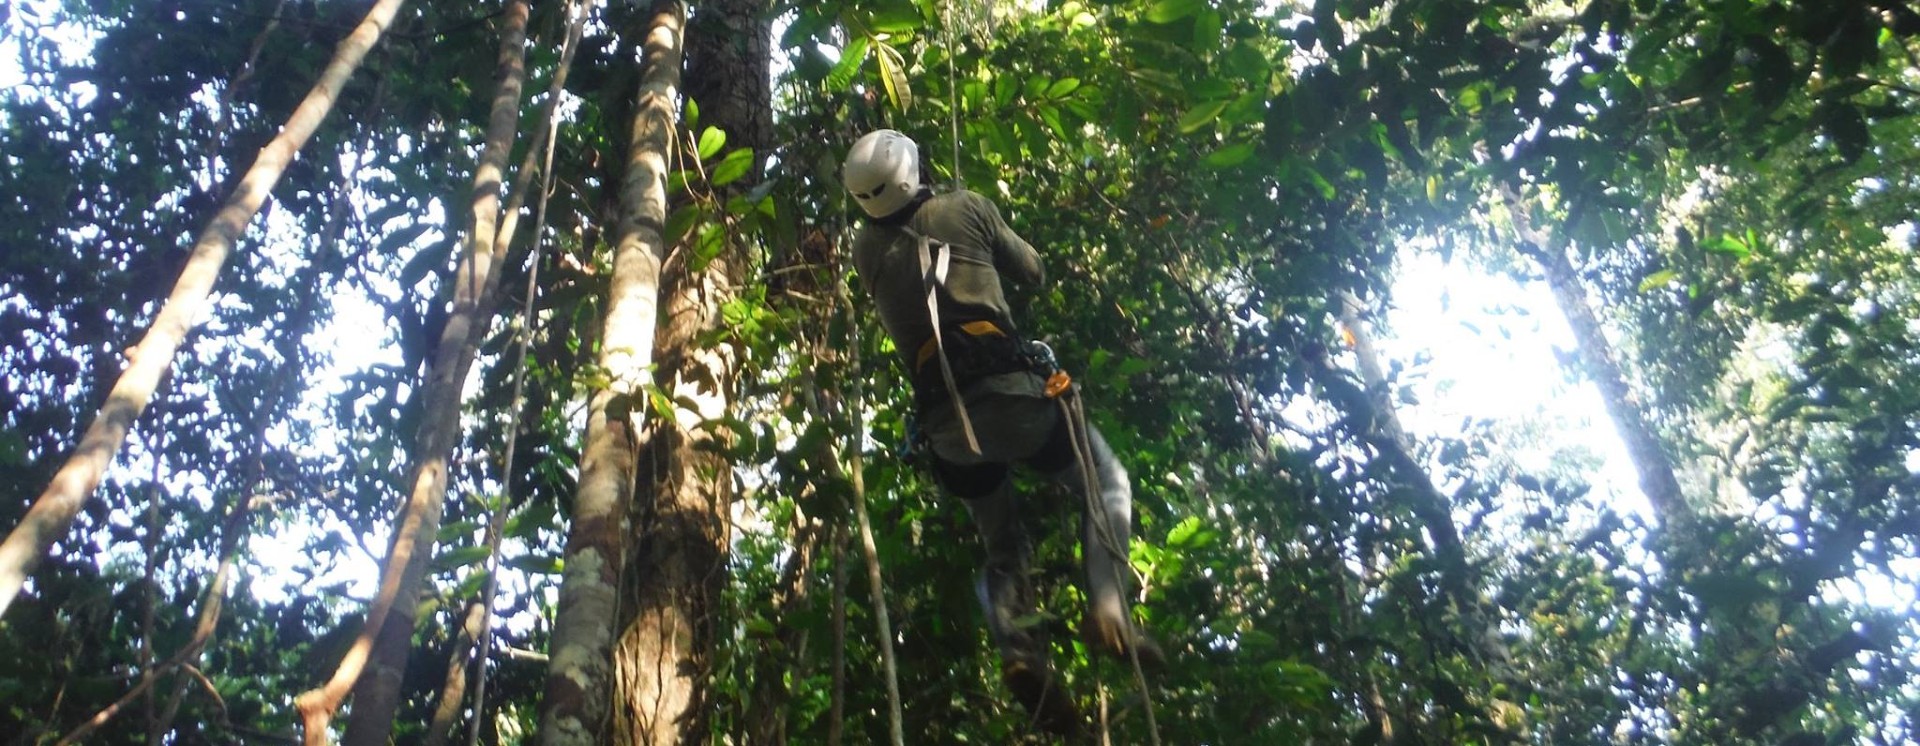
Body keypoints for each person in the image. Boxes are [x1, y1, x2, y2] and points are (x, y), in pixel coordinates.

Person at [841, 129, 1161, 737]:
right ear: (911, 170)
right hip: (1014, 402)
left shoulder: (865, 252)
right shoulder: (965, 207)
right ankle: (1109, 605)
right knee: (1107, 483)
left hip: (947, 432)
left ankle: (1016, 645)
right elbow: (1033, 270)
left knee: (1003, 545)